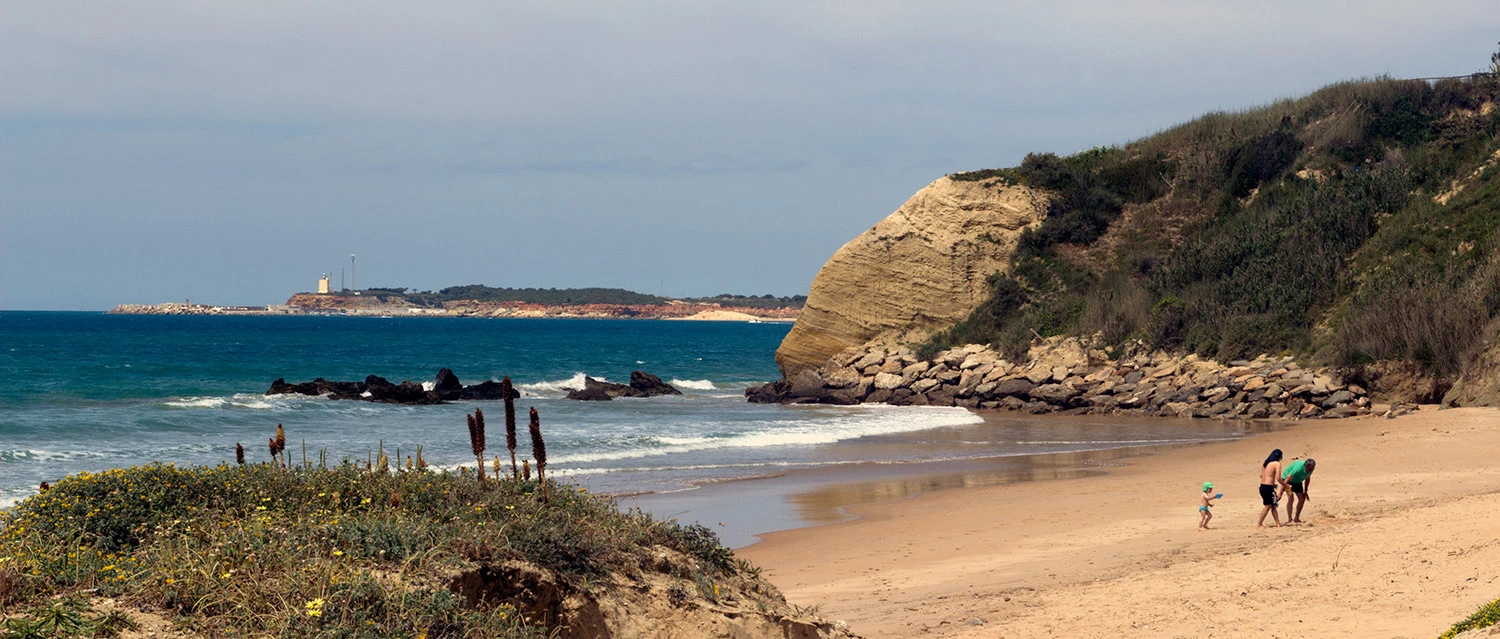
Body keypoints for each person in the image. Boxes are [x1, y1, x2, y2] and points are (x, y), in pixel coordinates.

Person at [1280, 458, 1316, 523]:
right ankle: (1290, 519)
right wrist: (1280, 493)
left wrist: (1306, 490)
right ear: (1305, 466)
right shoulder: (1298, 469)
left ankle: (1296, 518)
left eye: (1312, 469)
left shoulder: (1310, 470)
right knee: (1291, 497)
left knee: (1302, 499)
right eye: (1309, 469)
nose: (1310, 471)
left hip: (1298, 482)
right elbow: (1287, 479)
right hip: (1288, 481)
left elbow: (1307, 478)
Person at [1257, 449, 1284, 528]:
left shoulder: (1266, 464)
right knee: (1268, 505)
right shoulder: (1277, 464)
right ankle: (1259, 523)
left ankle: (1278, 523)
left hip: (1262, 486)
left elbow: (1261, 475)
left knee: (1273, 505)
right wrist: (1285, 485)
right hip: (1268, 487)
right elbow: (1278, 478)